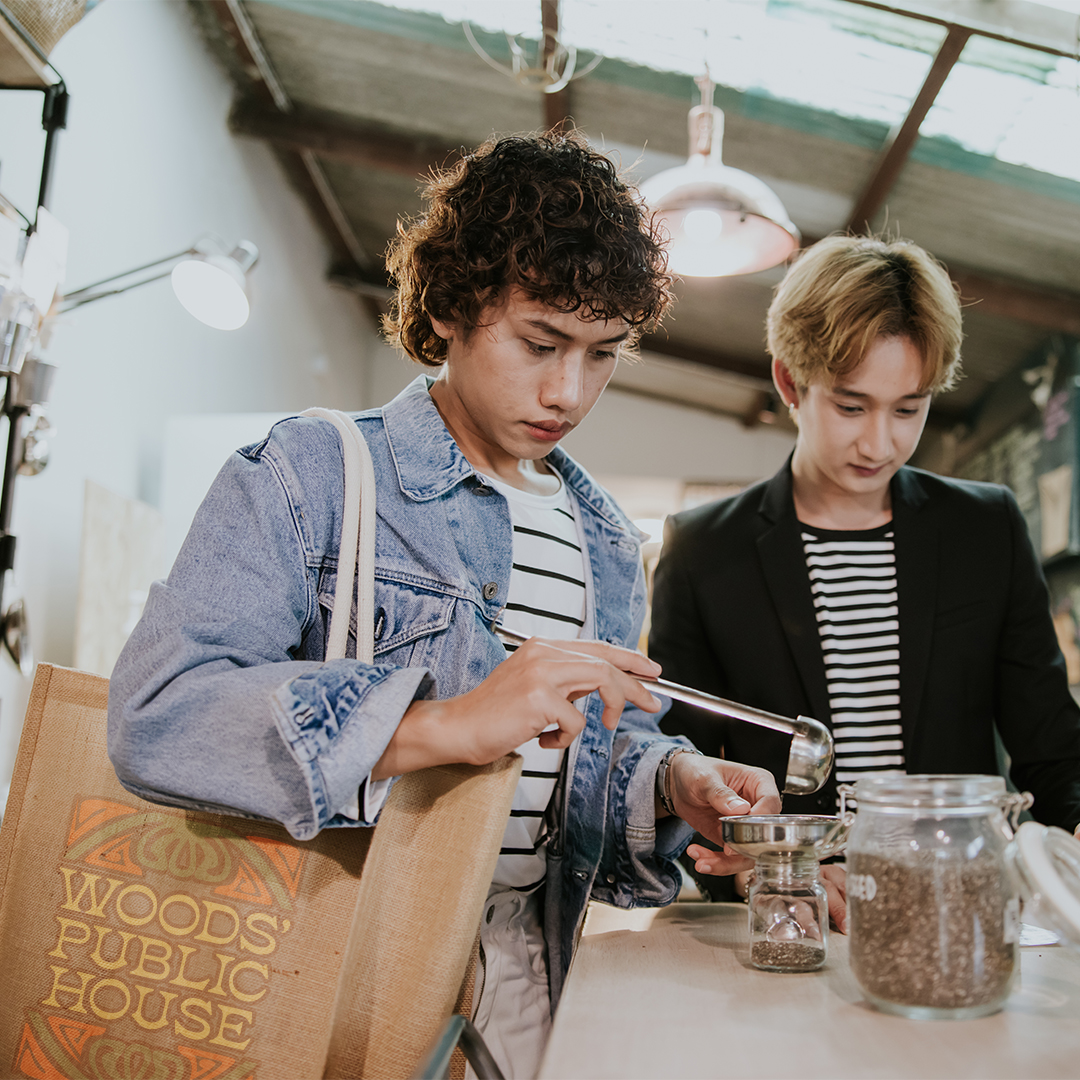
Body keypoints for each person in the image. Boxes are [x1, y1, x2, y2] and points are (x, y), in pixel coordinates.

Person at [108, 131, 780, 1080]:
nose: (568, 391)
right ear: (457, 309)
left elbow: (575, 760)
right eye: (539, 343)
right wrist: (445, 724)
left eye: (602, 355)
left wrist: (673, 782)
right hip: (329, 958)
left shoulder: (606, 540)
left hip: (527, 970)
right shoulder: (314, 475)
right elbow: (156, 719)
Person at [649, 233, 1080, 911]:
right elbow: (684, 780)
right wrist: (768, 872)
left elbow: (1054, 751)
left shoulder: (984, 530)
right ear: (790, 381)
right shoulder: (706, 549)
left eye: (909, 409)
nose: (881, 443)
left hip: (957, 914)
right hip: (791, 926)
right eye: (851, 406)